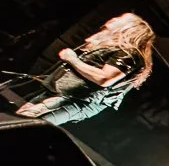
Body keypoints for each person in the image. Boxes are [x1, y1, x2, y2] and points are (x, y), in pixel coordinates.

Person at [15, 12, 155, 125]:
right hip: (61, 91)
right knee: (18, 119)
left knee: (27, 125)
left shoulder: (130, 53)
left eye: (120, 19)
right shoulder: (111, 47)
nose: (114, 18)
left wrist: (72, 59)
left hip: (77, 99)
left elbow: (104, 78)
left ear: (128, 28)